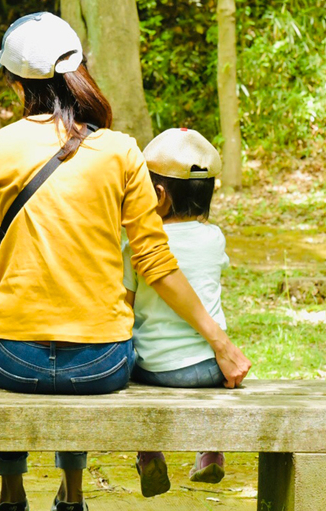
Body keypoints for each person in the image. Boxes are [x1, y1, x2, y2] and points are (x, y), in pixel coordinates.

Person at [0, 13, 251, 511]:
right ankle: (72, 497)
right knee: (76, 371)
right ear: (80, 70)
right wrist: (221, 345)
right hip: (102, 364)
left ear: (16, 84)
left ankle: (10, 490)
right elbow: (156, 261)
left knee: (17, 363)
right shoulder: (121, 151)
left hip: (12, 361)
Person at [123, 128, 236, 498]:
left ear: (156, 195)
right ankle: (211, 453)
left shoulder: (136, 244)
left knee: (129, 371)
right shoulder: (214, 237)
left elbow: (125, 302)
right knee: (219, 378)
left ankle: (149, 453)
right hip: (210, 367)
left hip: (153, 368)